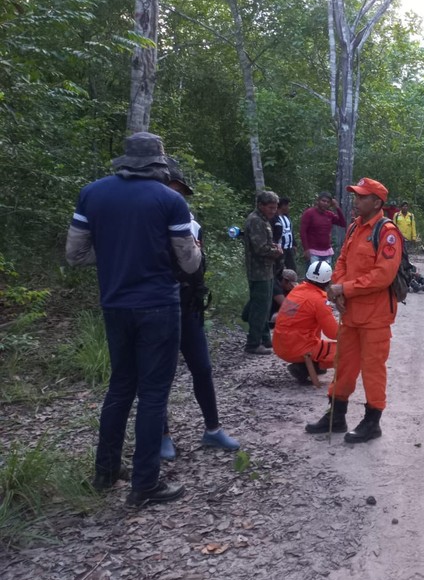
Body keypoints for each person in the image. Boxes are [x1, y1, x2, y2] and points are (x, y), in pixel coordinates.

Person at [66, 132, 200, 507]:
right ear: (159, 165)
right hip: (158, 304)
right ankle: (145, 484)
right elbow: (189, 262)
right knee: (153, 393)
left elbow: (75, 254)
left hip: (115, 305)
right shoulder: (170, 200)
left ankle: (105, 473)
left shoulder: (91, 193)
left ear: (125, 161)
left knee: (120, 386)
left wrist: (114, 257)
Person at [303, 177, 401, 444]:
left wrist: (344, 289)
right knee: (343, 365)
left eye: (361, 197)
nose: (355, 201)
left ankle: (372, 422)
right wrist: (336, 288)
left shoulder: (387, 232)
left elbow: (383, 275)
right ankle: (336, 414)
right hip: (350, 313)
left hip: (375, 317)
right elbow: (342, 261)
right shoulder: (355, 228)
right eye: (356, 196)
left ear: (376, 202)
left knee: (372, 369)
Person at [160, 165, 240, 460]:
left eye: (181, 192)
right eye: (173, 189)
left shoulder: (191, 223)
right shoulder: (149, 219)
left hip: (188, 303)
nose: (177, 196)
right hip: (159, 304)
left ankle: (213, 429)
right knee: (161, 374)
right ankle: (162, 435)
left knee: (203, 368)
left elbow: (197, 263)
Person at [273, 259, 339, 383]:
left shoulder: (297, 291)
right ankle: (307, 367)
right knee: (349, 350)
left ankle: (309, 365)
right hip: (298, 348)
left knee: (312, 323)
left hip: (280, 345)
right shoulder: (319, 300)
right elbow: (334, 333)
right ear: (328, 281)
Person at [244, 191, 283, 355]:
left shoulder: (263, 220)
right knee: (259, 307)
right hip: (258, 271)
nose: (273, 211)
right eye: (270, 207)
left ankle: (265, 338)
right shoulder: (255, 221)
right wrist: (277, 251)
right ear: (261, 205)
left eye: (275, 208)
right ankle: (253, 343)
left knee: (266, 306)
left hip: (267, 270)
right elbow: (260, 248)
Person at [300, 191, 345, 266]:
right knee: (312, 276)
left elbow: (342, 223)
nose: (325, 203)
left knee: (326, 276)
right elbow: (303, 232)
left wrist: (337, 207)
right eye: (323, 201)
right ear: (318, 201)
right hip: (313, 252)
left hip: (327, 252)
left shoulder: (329, 215)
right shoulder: (309, 213)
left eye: (328, 202)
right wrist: (306, 249)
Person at [277, 197, 297, 272]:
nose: (289, 208)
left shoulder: (287, 217)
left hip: (289, 247)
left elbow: (291, 231)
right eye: (287, 205)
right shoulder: (275, 218)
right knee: (279, 268)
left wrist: (294, 244)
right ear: (283, 206)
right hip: (281, 248)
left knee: (292, 268)